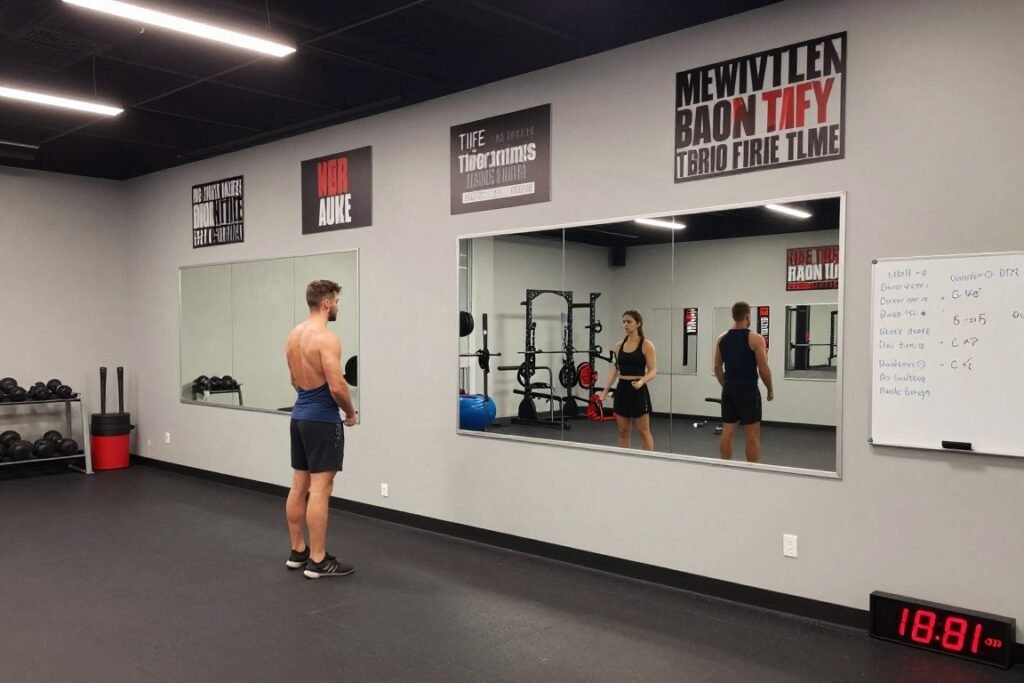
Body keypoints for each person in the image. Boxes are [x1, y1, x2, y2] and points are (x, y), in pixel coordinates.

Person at [283, 279, 358, 579]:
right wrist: (350, 413)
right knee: (320, 489)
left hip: (299, 416)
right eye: (337, 300)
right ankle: (318, 560)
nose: (338, 306)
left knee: (299, 485)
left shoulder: (294, 336)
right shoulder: (326, 338)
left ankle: (297, 551)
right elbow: (337, 385)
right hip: (322, 420)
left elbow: (293, 379)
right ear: (326, 303)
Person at [713, 301, 774, 463]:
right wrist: (770, 389)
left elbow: (717, 367)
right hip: (748, 391)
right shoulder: (755, 339)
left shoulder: (721, 338)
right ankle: (752, 472)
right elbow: (763, 369)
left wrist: (725, 385)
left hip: (729, 390)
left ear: (733, 316)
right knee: (752, 435)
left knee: (727, 433)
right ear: (747, 316)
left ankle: (725, 468)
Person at [599, 310, 657, 450]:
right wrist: (605, 391)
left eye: (629, 322)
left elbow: (653, 370)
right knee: (623, 431)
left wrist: (642, 381)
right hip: (622, 389)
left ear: (638, 323)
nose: (625, 325)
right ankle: (624, 462)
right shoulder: (619, 345)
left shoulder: (646, 345)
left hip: (638, 389)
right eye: (624, 322)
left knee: (643, 432)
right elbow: (615, 369)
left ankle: (648, 462)